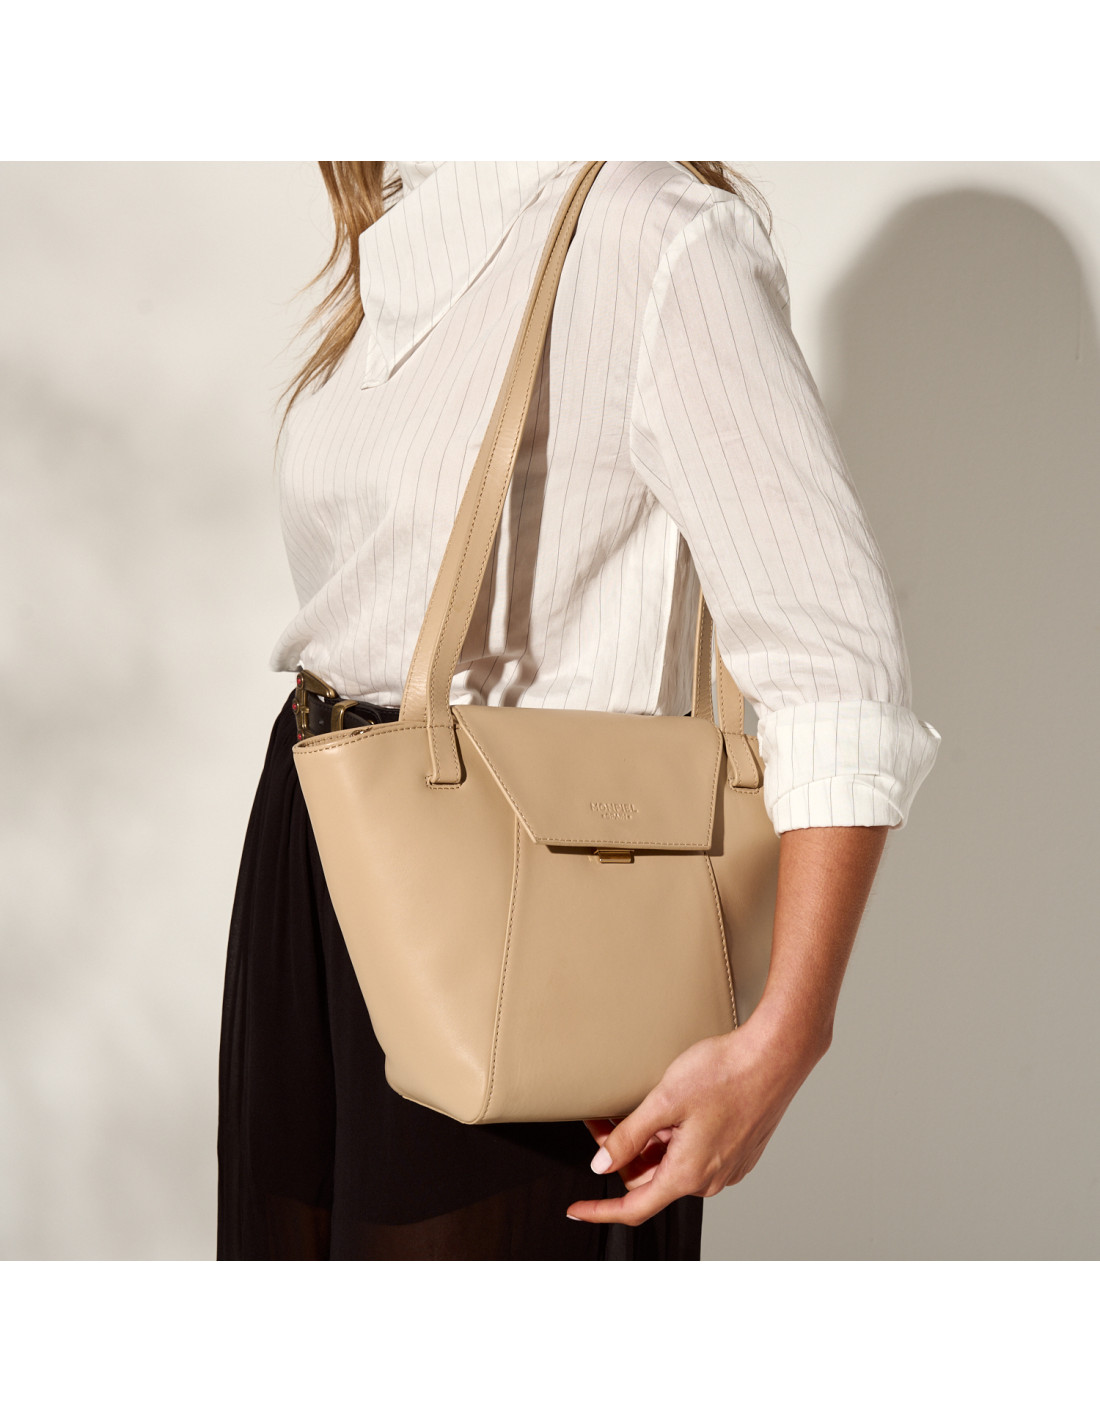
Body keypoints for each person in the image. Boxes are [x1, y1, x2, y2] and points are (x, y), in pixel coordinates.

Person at [216, 160, 941, 1261]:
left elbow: (835, 668)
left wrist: (787, 1034)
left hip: (529, 887)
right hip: (314, 845)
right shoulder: (403, 235)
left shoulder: (659, 240)